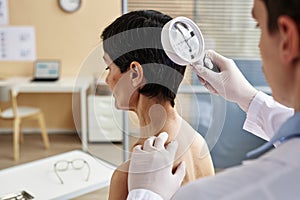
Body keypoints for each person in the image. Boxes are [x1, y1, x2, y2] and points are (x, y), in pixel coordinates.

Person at [127, 0, 300, 199]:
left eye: (258, 26)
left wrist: (145, 193)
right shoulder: (197, 143)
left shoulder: (216, 194)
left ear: (287, 38)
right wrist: (249, 98)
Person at [100, 10, 215, 200]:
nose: (107, 79)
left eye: (108, 67)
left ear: (135, 74)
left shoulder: (128, 176)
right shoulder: (197, 143)